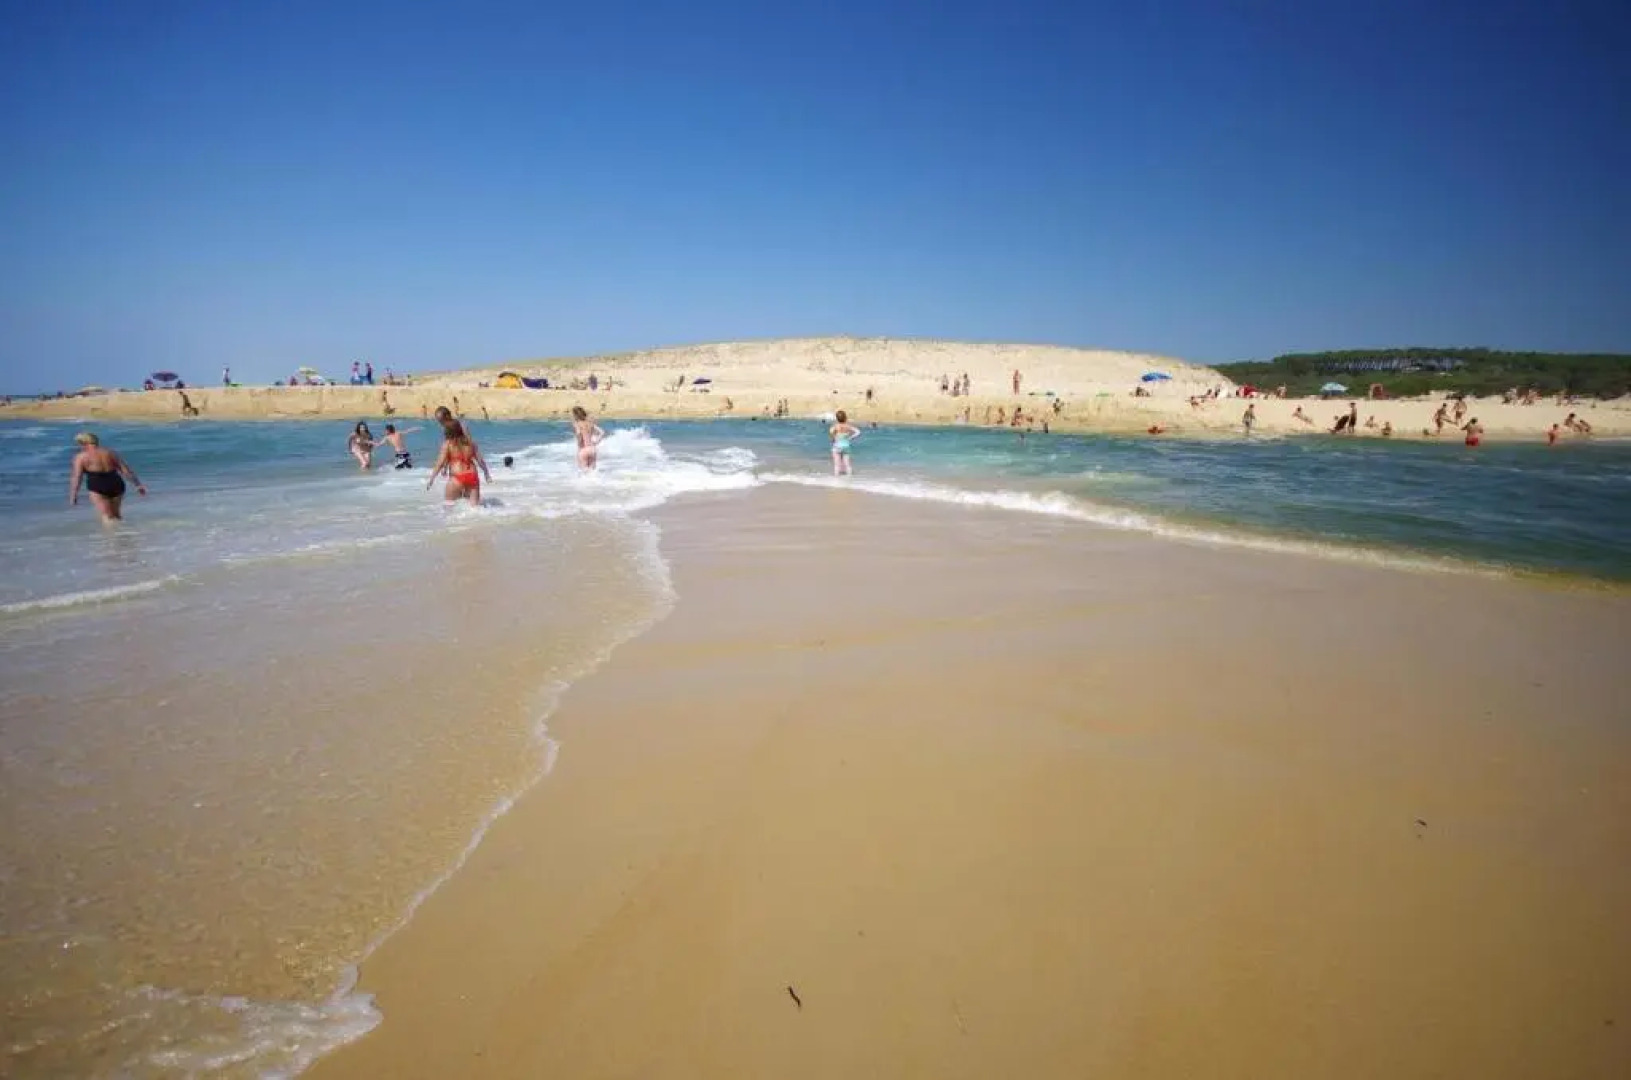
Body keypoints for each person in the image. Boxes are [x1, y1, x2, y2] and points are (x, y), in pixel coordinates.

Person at [68, 432, 146, 522]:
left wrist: (73, 495)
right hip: (116, 483)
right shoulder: (110, 452)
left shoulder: (81, 457)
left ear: (83, 443)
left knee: (107, 517)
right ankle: (121, 533)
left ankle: (111, 536)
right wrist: (138, 485)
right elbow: (126, 471)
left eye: (79, 443)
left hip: (97, 485)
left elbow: (77, 477)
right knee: (116, 515)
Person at [426, 420, 490, 504]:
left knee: (449, 508)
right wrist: (486, 473)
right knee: (474, 509)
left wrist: (432, 479)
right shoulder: (471, 443)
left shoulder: (448, 444)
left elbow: (440, 463)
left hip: (456, 477)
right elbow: (480, 461)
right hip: (472, 476)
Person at [571, 406, 606, 470]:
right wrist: (596, 442)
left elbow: (579, 434)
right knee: (592, 472)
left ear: (576, 415)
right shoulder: (590, 423)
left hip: (583, 449)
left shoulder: (577, 424)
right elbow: (602, 432)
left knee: (584, 473)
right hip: (592, 449)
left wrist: (579, 445)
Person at [829, 409, 860, 475]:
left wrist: (833, 438)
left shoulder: (835, 426)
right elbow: (858, 432)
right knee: (847, 465)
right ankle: (849, 478)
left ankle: (836, 479)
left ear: (837, 419)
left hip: (837, 446)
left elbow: (831, 432)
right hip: (846, 446)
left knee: (837, 465)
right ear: (845, 418)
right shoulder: (848, 426)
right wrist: (851, 437)